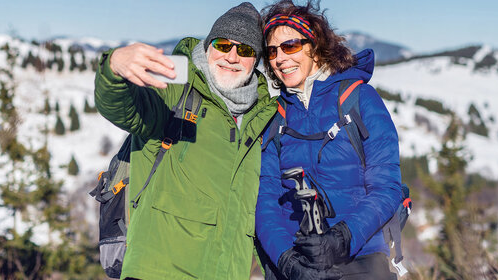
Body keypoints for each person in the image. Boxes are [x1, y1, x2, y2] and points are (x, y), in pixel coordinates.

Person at [94, 2, 278, 279]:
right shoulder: (175, 93)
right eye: (222, 44)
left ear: (256, 60)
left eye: (245, 50)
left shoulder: (262, 117)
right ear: (207, 47)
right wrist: (114, 67)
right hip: (156, 270)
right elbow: (123, 108)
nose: (232, 56)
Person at [255, 1, 403, 279]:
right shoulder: (275, 118)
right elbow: (265, 202)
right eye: (272, 51)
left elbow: (387, 189)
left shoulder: (360, 100)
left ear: (315, 46)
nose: (280, 58)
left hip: (360, 257)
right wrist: (286, 260)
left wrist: (342, 238)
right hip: (296, 262)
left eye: (291, 46)